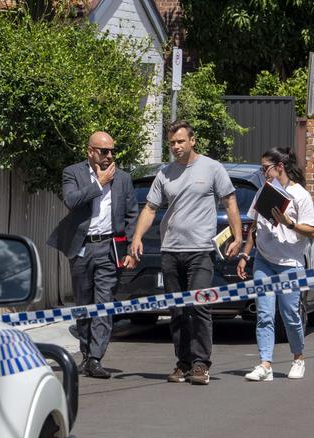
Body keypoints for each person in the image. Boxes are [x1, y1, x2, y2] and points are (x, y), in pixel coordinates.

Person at [129, 120, 242, 385]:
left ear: (192, 141)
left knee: (199, 306)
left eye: (181, 141)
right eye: (172, 143)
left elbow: (230, 201)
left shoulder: (212, 168)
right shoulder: (165, 173)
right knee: (177, 310)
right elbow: (150, 208)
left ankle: (201, 364)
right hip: (171, 250)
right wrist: (137, 237)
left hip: (201, 251)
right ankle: (183, 363)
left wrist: (237, 236)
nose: (176, 147)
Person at [47, 131, 138, 379]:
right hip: (82, 247)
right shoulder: (72, 173)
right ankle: (86, 354)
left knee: (104, 303)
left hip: (109, 248)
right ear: (90, 152)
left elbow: (131, 214)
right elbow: (72, 200)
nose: (109, 156)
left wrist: (131, 248)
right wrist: (98, 183)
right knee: (83, 304)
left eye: (112, 152)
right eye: (103, 151)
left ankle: (96, 357)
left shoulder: (123, 179)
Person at [238, 147, 314, 382]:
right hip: (263, 261)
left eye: (265, 169)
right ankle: (265, 364)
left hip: (290, 263)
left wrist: (288, 223)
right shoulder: (263, 191)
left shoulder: (300, 195)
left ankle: (298, 358)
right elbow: (254, 226)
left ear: (280, 167)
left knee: (290, 314)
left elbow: (311, 230)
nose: (263, 174)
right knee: (264, 314)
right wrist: (245, 255)